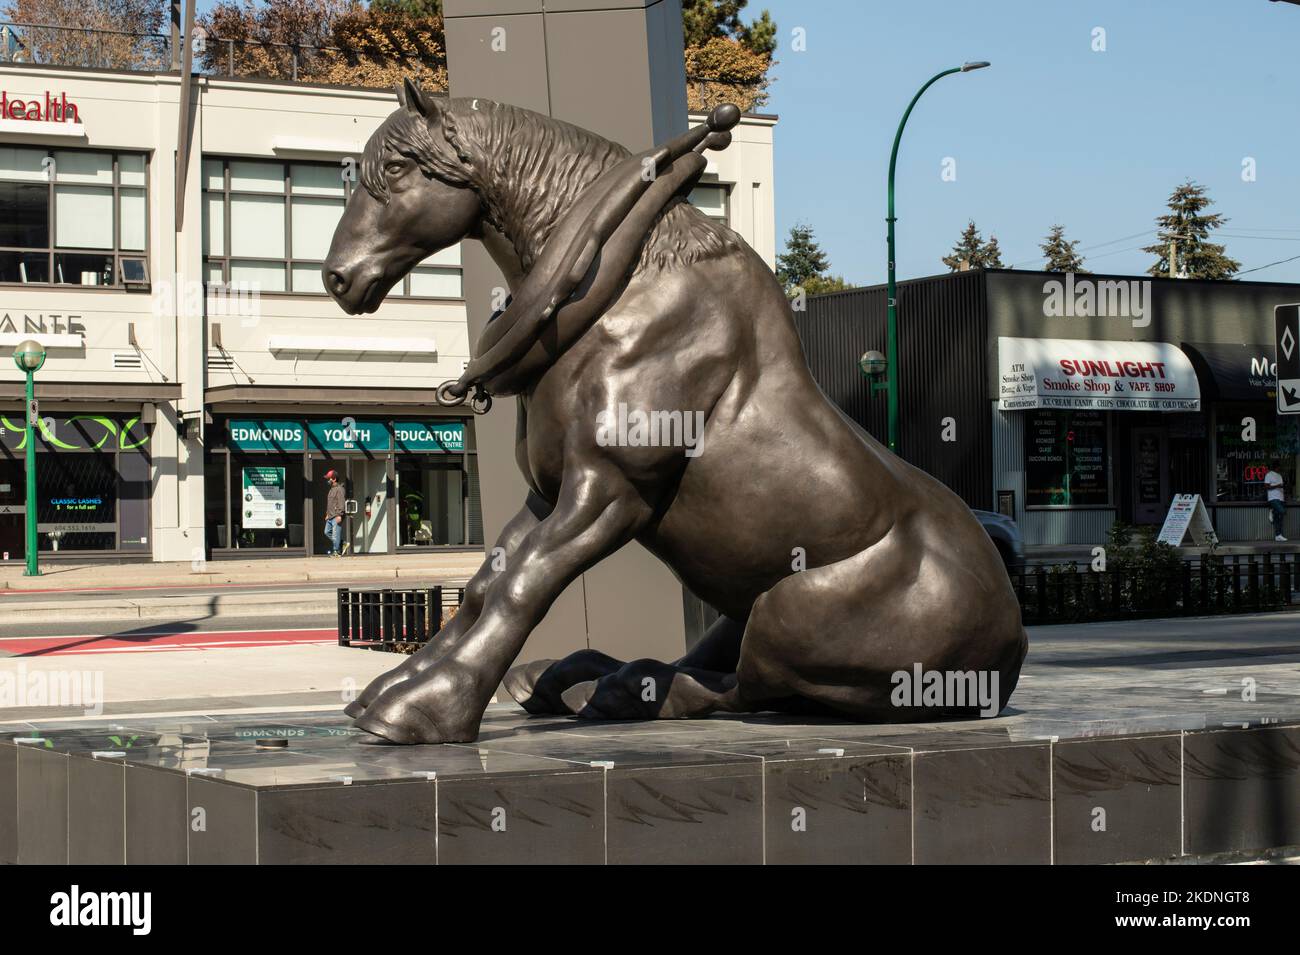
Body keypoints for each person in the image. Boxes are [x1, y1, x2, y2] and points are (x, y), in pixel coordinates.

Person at [323, 469, 346, 556]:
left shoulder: (340, 489)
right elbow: (330, 503)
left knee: (335, 534)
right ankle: (342, 543)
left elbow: (341, 502)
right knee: (327, 532)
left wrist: (340, 515)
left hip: (336, 515)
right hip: (330, 516)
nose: (328, 480)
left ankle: (336, 552)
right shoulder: (331, 489)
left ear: (334, 479)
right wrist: (327, 514)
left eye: (329, 478)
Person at [1264, 467, 1287, 542]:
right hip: (1273, 498)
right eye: (1278, 467)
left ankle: (1278, 535)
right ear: (1275, 467)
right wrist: (1277, 486)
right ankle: (1271, 510)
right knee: (1282, 511)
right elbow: (1266, 486)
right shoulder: (1269, 475)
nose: (1279, 468)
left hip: (1281, 498)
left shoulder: (1280, 475)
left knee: (1279, 517)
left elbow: (1281, 486)